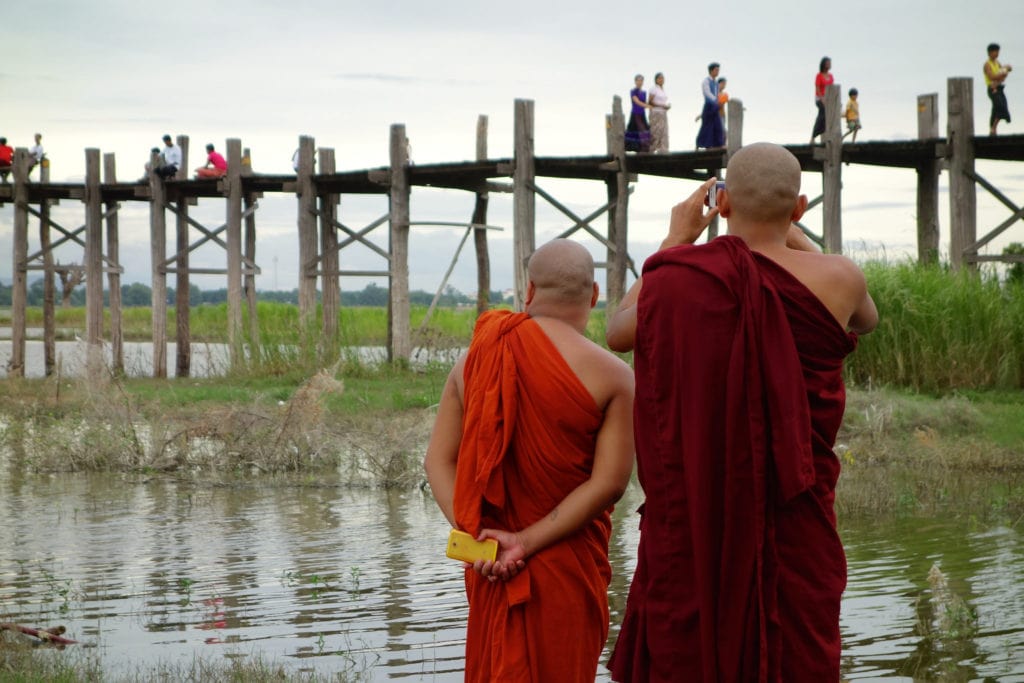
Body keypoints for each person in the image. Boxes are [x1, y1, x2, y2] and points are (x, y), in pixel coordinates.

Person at [605, 142, 878, 682]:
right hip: (793, 514)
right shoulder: (841, 278)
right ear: (799, 208)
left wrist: (673, 240)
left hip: (699, 507)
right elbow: (866, 321)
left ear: (721, 204)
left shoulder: (675, 276)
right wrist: (797, 241)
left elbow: (618, 332)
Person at [424, 238, 635, 682]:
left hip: (489, 563)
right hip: (564, 562)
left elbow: (438, 463)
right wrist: (524, 540)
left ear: (529, 291)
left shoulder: (473, 360)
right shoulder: (614, 374)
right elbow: (610, 484)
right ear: (594, 296)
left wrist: (479, 537)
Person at [984, 43, 1012, 136]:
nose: (997, 53)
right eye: (995, 51)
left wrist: (1004, 71)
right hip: (992, 88)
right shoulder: (987, 64)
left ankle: (993, 129)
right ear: (990, 52)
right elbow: (992, 76)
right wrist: (1002, 73)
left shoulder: (997, 63)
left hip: (999, 88)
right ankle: (993, 128)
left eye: (998, 51)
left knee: (999, 108)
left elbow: (1003, 77)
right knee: (999, 106)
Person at [696, 62, 726, 149]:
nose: (717, 72)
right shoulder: (706, 81)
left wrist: (719, 101)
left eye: (718, 70)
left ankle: (718, 144)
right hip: (709, 106)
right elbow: (707, 93)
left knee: (717, 125)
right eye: (716, 70)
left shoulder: (716, 83)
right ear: (711, 71)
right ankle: (702, 144)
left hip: (716, 105)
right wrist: (716, 100)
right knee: (707, 126)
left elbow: (716, 94)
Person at [625, 74, 652, 153]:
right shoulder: (633, 91)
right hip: (635, 114)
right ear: (635, 82)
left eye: (641, 81)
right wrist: (647, 106)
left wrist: (652, 105)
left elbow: (645, 102)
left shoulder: (644, 92)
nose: (639, 82)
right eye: (638, 80)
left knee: (644, 130)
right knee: (636, 130)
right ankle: (635, 148)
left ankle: (643, 150)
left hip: (642, 114)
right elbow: (637, 101)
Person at [812, 56, 834, 143]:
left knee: (829, 117)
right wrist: (822, 98)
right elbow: (817, 88)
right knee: (822, 116)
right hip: (820, 98)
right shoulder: (819, 75)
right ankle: (814, 136)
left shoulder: (831, 76)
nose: (829, 65)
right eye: (827, 63)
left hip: (829, 99)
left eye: (830, 63)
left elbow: (832, 88)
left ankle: (825, 136)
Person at [648, 72, 671, 153]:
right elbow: (650, 102)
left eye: (662, 78)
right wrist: (662, 106)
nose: (661, 80)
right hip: (656, 113)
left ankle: (663, 150)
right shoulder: (654, 89)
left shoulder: (662, 89)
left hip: (663, 113)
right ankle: (652, 149)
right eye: (660, 78)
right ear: (656, 80)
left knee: (664, 132)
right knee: (656, 132)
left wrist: (666, 106)